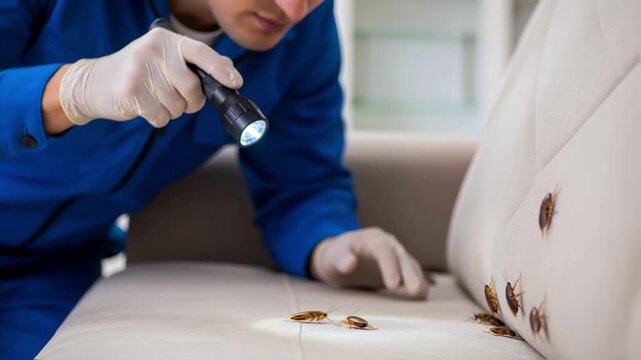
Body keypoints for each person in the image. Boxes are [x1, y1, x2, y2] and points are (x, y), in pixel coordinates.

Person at [0, 0, 428, 358]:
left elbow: (302, 181)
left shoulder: (307, 31)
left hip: (53, 268)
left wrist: (330, 242)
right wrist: (72, 90)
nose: (293, 10)